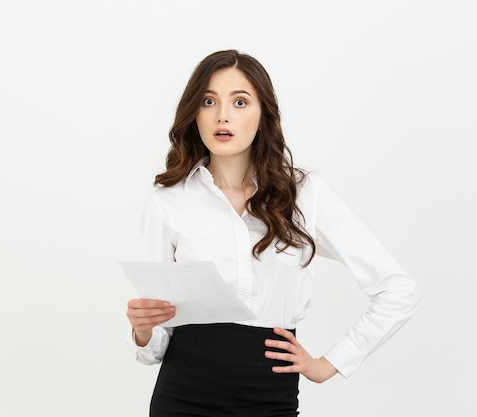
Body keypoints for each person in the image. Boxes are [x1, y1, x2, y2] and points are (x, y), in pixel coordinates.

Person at [126, 49, 419, 417]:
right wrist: (142, 330)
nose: (223, 115)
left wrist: (329, 364)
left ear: (263, 113)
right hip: (184, 394)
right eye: (209, 101)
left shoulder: (305, 195)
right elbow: (154, 346)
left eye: (240, 101)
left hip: (269, 398)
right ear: (194, 113)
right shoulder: (168, 201)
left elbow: (398, 289)